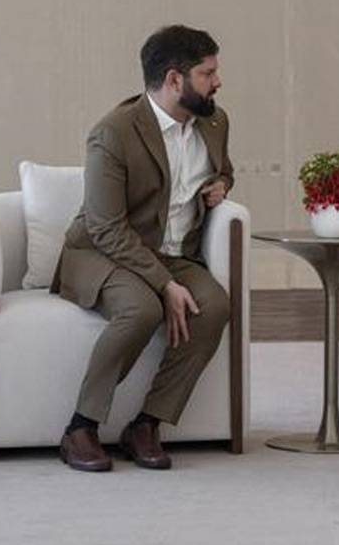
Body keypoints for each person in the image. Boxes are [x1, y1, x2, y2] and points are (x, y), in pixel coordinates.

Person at [52, 24, 234, 472]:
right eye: (207, 73)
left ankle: (146, 424)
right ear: (174, 79)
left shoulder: (214, 122)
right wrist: (165, 284)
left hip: (171, 252)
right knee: (142, 308)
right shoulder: (113, 133)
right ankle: (80, 427)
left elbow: (223, 169)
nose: (217, 81)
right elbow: (106, 227)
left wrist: (222, 185)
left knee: (214, 305)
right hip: (99, 253)